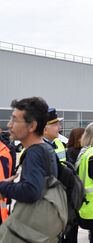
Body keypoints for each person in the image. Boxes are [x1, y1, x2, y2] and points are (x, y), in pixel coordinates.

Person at [0, 97, 63, 240]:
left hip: (34, 231)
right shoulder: (45, 148)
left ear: (32, 126)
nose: (9, 125)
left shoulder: (35, 153)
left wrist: (3, 186)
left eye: (15, 120)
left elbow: (31, 191)